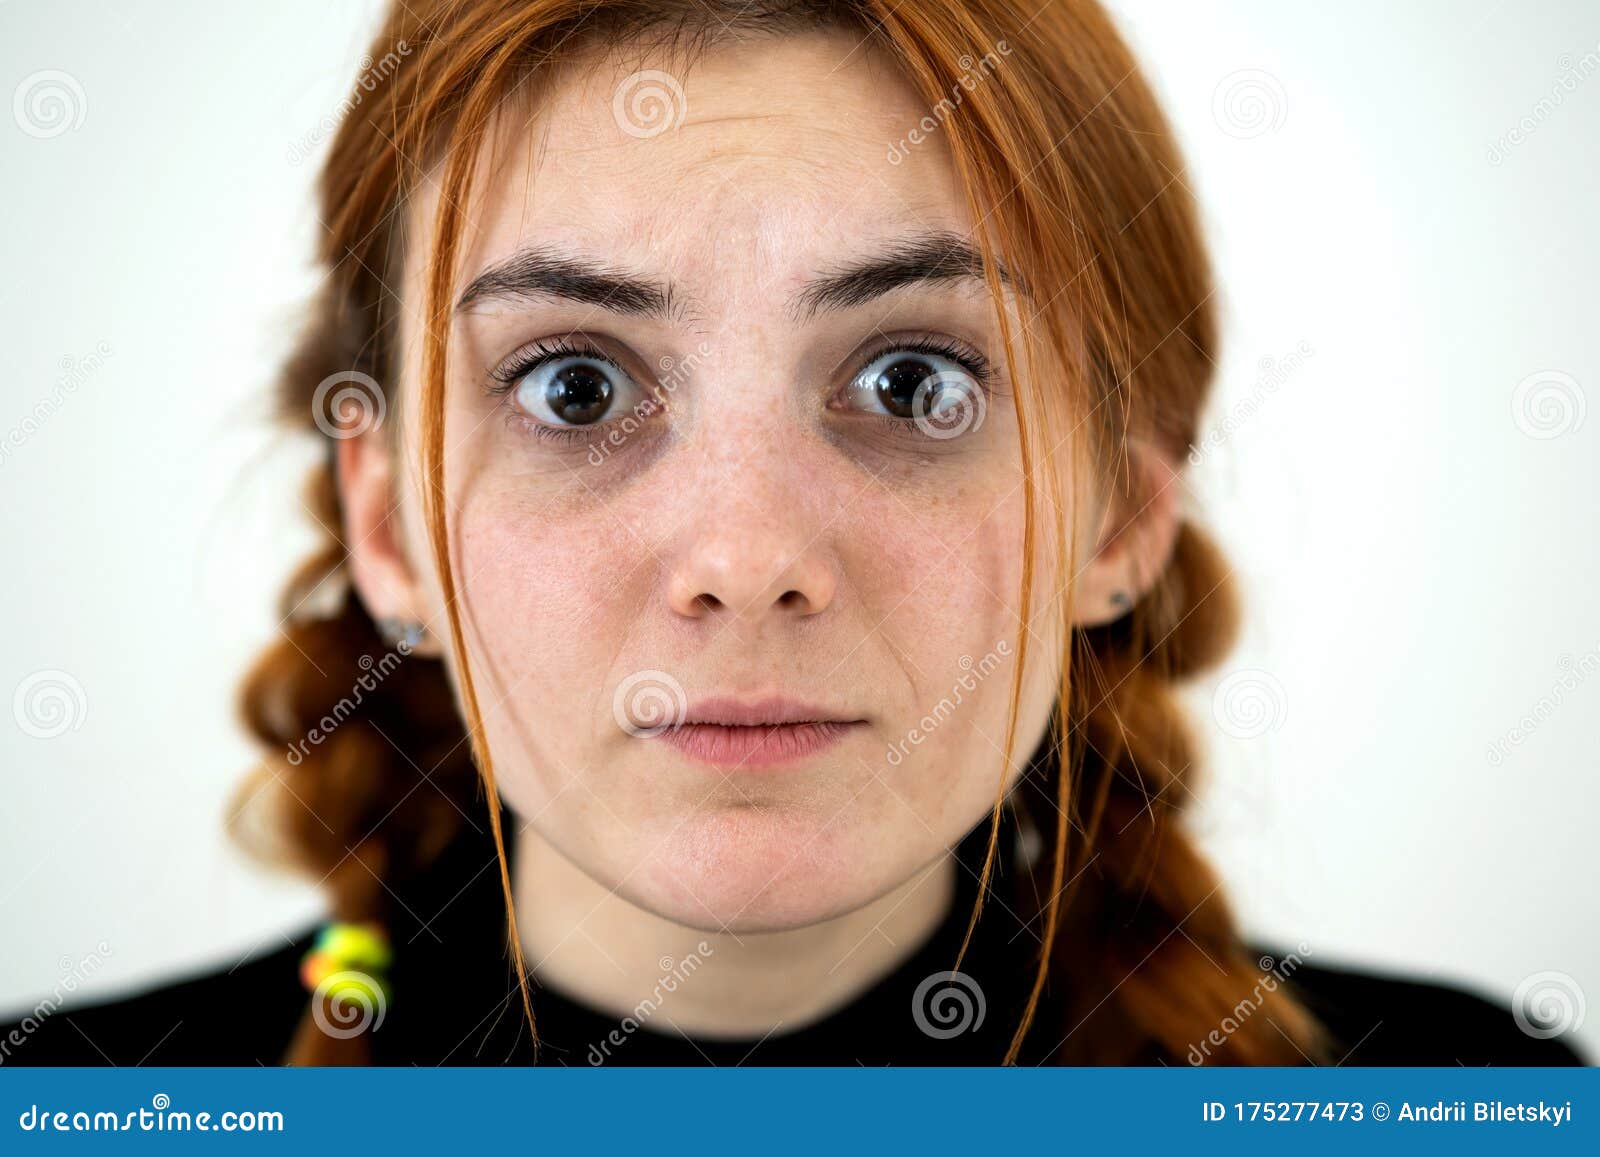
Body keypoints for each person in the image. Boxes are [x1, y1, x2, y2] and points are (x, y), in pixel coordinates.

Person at [2, 0, 1584, 1067]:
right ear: (387, 523)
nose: (748, 555)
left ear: (1125, 510)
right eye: (573, 384)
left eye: (913, 379)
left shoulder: (1459, 1095)